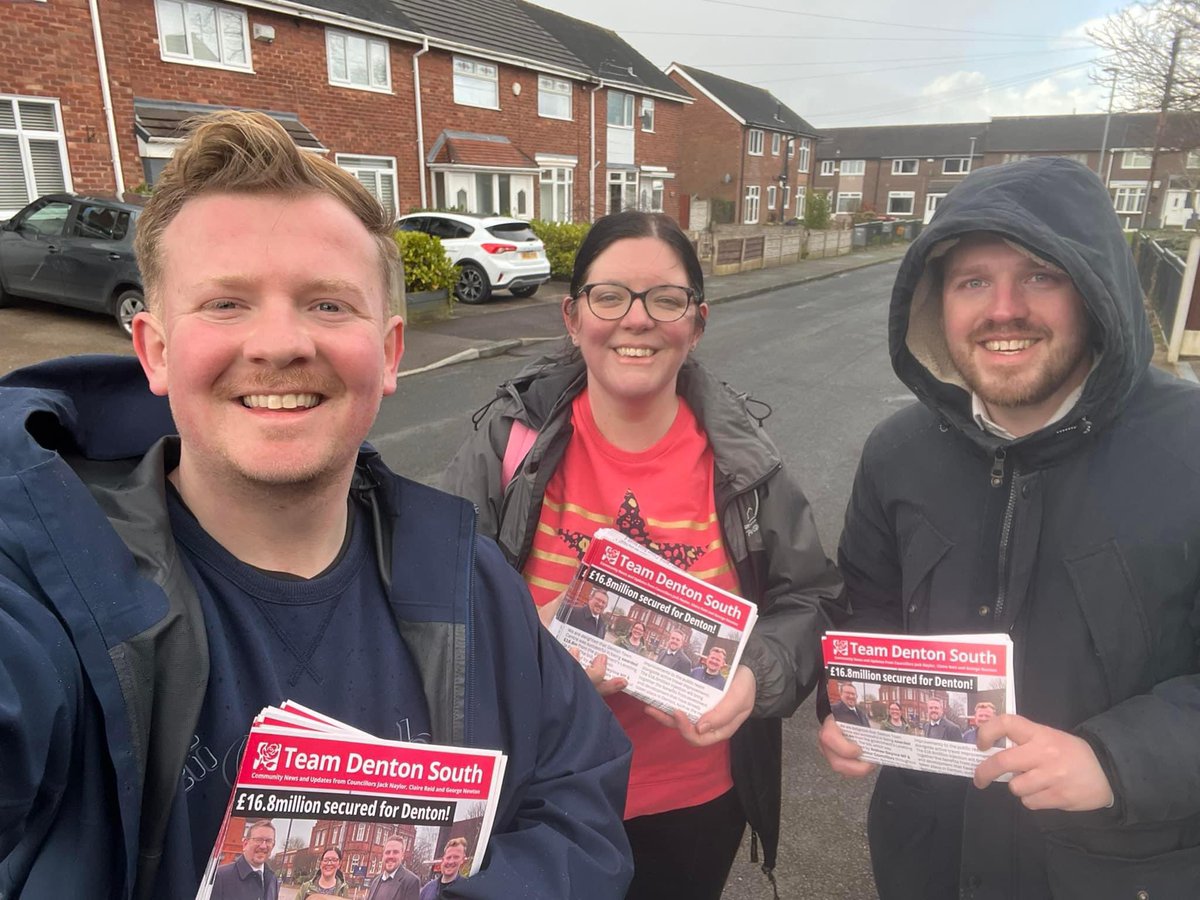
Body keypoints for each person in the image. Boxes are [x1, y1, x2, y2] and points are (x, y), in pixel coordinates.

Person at [0, 110, 633, 899]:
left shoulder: (466, 578)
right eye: (226, 303)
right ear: (155, 353)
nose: (279, 344)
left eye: (328, 305)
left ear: (391, 350)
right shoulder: (48, 589)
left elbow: (582, 800)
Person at [818, 156, 1200, 899]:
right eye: (972, 281)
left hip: (1120, 871)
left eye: (1039, 275)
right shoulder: (896, 454)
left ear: (1093, 290)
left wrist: (1116, 762)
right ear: (937, 304)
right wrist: (847, 700)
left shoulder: (1191, 447)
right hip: (927, 860)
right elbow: (865, 609)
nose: (1003, 309)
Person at [443, 209, 843, 898]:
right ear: (573, 317)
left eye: (666, 299)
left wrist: (754, 677)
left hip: (693, 797)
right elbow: (432, 594)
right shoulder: (508, 446)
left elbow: (810, 601)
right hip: (537, 794)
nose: (637, 319)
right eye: (610, 296)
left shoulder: (745, 467)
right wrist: (523, 645)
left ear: (697, 322)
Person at [211, 820, 280, 900]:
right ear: (245, 844)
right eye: (258, 840)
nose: (263, 846)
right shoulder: (220, 877)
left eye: (268, 841)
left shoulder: (273, 880)